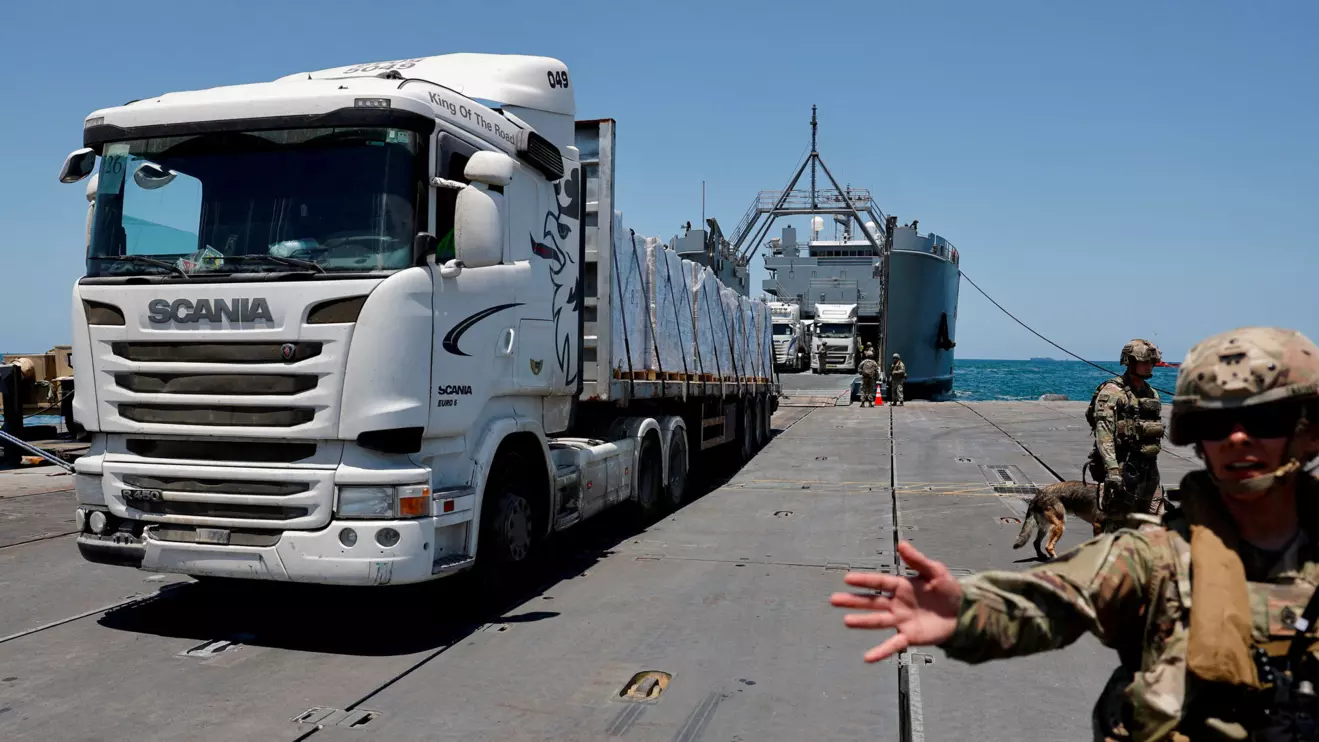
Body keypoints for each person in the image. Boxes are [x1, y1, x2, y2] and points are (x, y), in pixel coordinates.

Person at [831, 327, 1319, 741]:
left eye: (1264, 420)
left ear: (1309, 430)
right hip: (1121, 478)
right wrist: (965, 611)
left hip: (1143, 477)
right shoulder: (1156, 557)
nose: (1237, 438)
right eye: (1215, 423)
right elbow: (1054, 597)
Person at [1086, 339, 1164, 530]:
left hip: (1149, 470)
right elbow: (1104, 432)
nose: (1149, 367)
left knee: (1154, 524)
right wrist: (1112, 470)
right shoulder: (1113, 392)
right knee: (1118, 526)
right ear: (1130, 362)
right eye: (1144, 362)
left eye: (1151, 362)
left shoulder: (1151, 393)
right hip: (1123, 470)